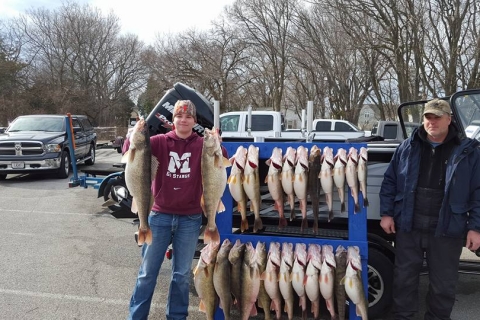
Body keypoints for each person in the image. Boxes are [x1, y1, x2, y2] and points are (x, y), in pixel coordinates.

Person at [379, 98, 480, 320]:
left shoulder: (468, 152)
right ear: (423, 120)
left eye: (438, 117)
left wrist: (475, 228)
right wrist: (386, 213)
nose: (432, 121)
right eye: (428, 117)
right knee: (404, 278)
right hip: (409, 223)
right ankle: (403, 316)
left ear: (449, 119)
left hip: (447, 227)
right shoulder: (407, 147)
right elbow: (390, 182)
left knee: (443, 283)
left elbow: (477, 192)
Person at [125, 100, 226, 320]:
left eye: (188, 117)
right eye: (179, 116)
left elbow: (220, 157)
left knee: (180, 276)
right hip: (159, 215)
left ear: (194, 121)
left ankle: (177, 317)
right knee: (147, 273)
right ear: (173, 120)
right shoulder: (160, 142)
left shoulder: (202, 144)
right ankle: (136, 316)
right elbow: (132, 149)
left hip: (190, 219)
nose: (183, 120)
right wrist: (132, 136)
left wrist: (218, 141)